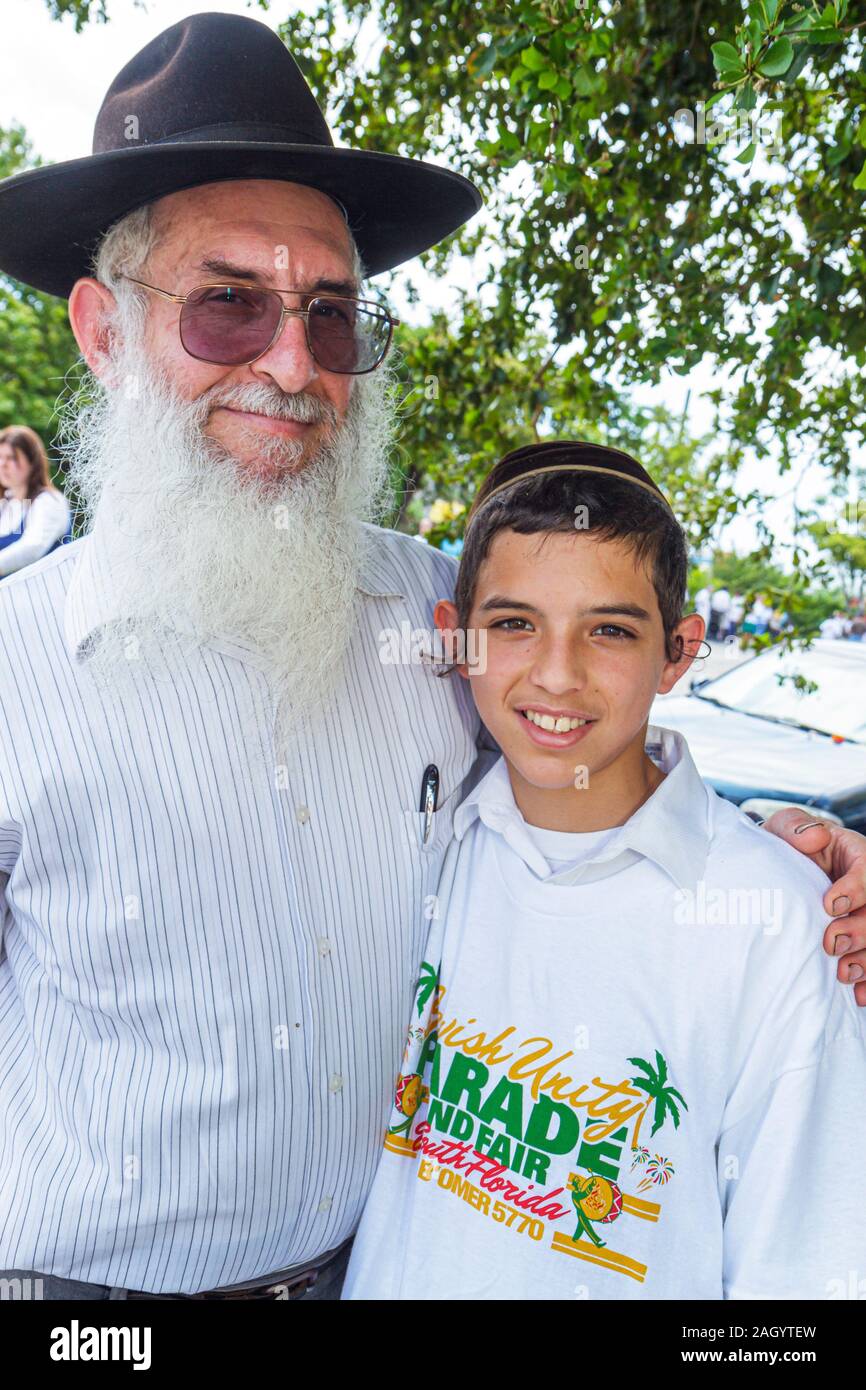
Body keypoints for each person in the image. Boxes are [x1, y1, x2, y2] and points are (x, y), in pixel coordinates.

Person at [0, 13, 863, 1303]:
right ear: (104, 328)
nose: (291, 366)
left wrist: (801, 856)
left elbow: (579, 770)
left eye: (330, 315)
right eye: (228, 305)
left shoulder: (440, 615)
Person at [342, 442, 866, 1300]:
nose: (558, 673)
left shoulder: (777, 925)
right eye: (514, 624)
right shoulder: (430, 840)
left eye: (611, 630)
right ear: (456, 641)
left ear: (679, 652)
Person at [0, 425, 71, 577]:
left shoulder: (49, 501)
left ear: (32, 462)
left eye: (11, 457)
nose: (2, 464)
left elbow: (33, 547)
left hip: (48, 597)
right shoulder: (5, 505)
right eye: (0, 457)